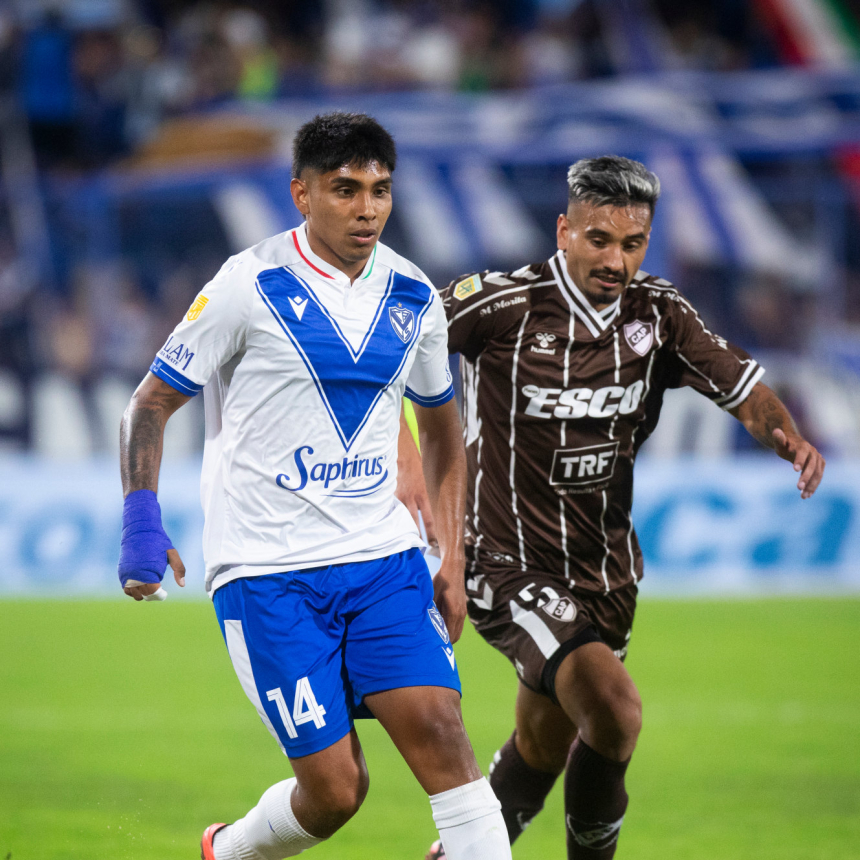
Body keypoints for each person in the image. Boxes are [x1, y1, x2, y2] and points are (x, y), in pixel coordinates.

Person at [116, 112, 512, 860]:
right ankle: (230, 851)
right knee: (335, 792)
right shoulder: (248, 284)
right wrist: (142, 521)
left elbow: (443, 432)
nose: (367, 209)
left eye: (380, 190)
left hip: (383, 561)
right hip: (267, 572)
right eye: (345, 189)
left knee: (444, 737)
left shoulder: (414, 295)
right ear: (302, 193)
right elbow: (149, 404)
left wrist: (454, 561)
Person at [410, 155, 825, 859]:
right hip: (505, 562)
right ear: (564, 230)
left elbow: (740, 385)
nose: (615, 260)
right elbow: (389, 350)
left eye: (632, 244)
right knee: (614, 709)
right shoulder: (501, 306)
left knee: (544, 744)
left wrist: (783, 433)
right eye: (599, 239)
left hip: (607, 573)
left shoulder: (659, 314)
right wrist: (401, 457)